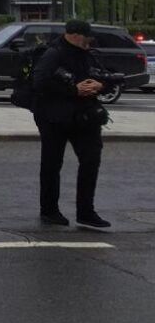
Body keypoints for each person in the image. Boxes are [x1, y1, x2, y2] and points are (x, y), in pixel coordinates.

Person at [31, 20, 112, 228]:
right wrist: (73, 90)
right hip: (54, 118)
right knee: (51, 164)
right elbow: (39, 83)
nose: (90, 41)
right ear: (74, 35)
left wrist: (100, 85)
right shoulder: (53, 54)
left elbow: (106, 77)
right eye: (87, 37)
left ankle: (86, 212)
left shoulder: (89, 54)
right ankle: (49, 210)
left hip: (84, 117)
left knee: (91, 160)